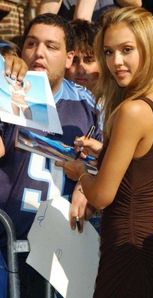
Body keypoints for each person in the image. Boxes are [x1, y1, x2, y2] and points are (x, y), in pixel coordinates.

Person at [57, 6, 153, 297]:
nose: (116, 61)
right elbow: (152, 174)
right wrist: (107, 152)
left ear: (150, 50)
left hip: (126, 256)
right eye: (108, 52)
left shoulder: (132, 110)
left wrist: (81, 173)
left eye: (127, 49)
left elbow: (102, 195)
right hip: (147, 251)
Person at [0, 13, 101, 297]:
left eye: (51, 46)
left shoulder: (87, 104)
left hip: (62, 249)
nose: (39, 53)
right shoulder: (5, 88)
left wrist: (88, 181)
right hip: (6, 243)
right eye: (31, 44)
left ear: (69, 58)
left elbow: (108, 165)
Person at [65, 19, 100, 93]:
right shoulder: (49, 101)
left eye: (89, 60)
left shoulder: (118, 101)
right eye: (73, 61)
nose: (81, 71)